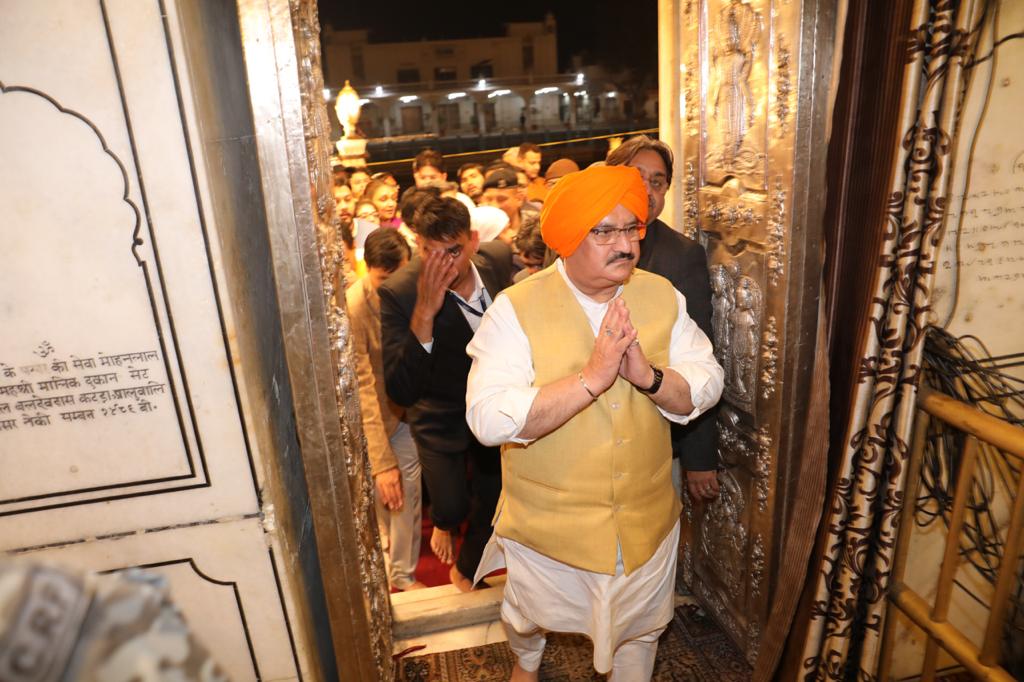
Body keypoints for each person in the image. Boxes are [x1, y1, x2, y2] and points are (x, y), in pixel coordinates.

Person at [465, 165, 724, 680]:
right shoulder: (514, 309)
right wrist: (591, 379)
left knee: (641, 631)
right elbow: (488, 418)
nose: (624, 245)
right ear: (566, 239)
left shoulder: (660, 295)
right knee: (528, 618)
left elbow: (707, 379)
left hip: (644, 522)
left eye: (632, 229)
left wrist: (648, 376)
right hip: (550, 528)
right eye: (604, 231)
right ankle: (527, 659)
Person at [379, 196, 513, 592]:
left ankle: (466, 571)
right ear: (419, 247)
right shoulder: (399, 292)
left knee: (495, 499)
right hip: (439, 413)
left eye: (453, 251)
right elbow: (401, 389)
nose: (443, 265)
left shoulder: (499, 260)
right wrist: (424, 312)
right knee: (451, 506)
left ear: (472, 240)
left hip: (495, 405)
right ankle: (444, 525)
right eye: (431, 253)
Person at [606, 134, 720, 500]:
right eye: (636, 176)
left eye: (657, 181)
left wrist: (698, 458)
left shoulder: (680, 256)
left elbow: (698, 356)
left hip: (654, 434)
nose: (647, 188)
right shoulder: (574, 241)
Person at [346, 229, 424, 592]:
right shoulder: (355, 306)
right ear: (367, 269)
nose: (393, 287)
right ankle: (383, 567)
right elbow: (362, 385)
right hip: (376, 415)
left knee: (407, 491)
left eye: (400, 276)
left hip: (413, 408)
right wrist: (381, 461)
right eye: (383, 281)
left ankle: (403, 575)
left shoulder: (418, 286)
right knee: (384, 491)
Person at [479, 168, 538, 248]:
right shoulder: (478, 230)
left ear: (519, 199)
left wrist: (511, 245)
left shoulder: (536, 224)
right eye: (488, 199)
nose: (494, 206)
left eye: (501, 199)